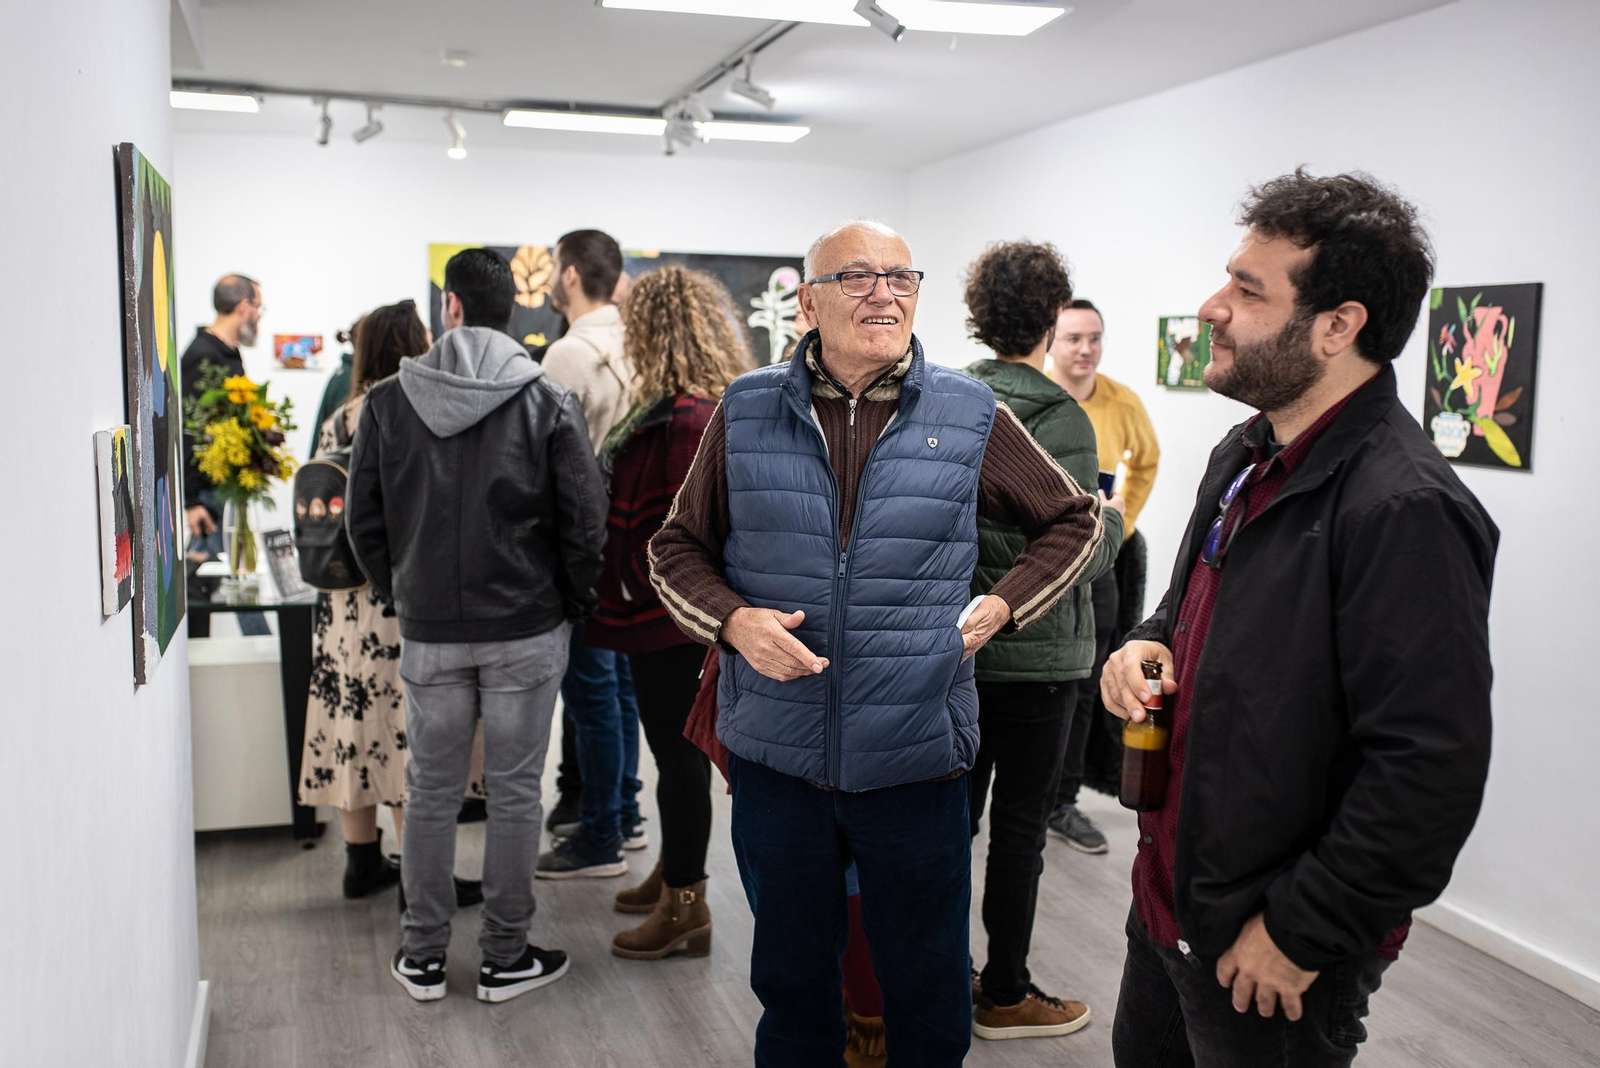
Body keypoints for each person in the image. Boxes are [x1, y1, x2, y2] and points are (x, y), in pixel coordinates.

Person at [649, 219, 1106, 1066]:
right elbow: (674, 547)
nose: (883, 294)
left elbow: (1076, 520)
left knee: (927, 988)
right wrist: (734, 622)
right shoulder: (746, 409)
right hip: (778, 759)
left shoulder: (969, 411)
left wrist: (1003, 607)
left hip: (917, 757)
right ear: (809, 301)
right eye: (856, 278)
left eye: (900, 277)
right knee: (791, 986)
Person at [1103, 170, 1496, 1067]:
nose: (1213, 307)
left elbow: (1428, 768)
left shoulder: (1404, 510)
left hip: (1271, 946)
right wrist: (1141, 646)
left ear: (1337, 326)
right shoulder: (1244, 452)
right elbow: (1179, 614)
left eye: (1248, 290)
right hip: (1173, 898)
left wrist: (1301, 930)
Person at [345, 247, 606, 1004]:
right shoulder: (548, 400)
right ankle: (504, 956)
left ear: (449, 308)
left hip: (430, 626)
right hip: (527, 624)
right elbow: (583, 523)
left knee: (429, 792)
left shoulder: (388, 403)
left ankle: (422, 958)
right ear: (511, 312)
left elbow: (364, 520)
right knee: (517, 793)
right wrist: (573, 600)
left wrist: (401, 592)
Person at [961, 241, 1125, 1040]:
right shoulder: (1061, 415)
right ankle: (1005, 992)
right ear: (1051, 317)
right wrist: (1116, 520)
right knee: (1020, 834)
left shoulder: (949, 398)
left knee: (947, 824)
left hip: (958, 651)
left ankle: (932, 973)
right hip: (1039, 658)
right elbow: (1077, 545)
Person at [585, 266, 749, 959]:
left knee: (678, 758)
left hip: (676, 618)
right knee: (667, 753)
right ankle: (674, 871)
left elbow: (687, 530)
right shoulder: (686, 405)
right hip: (661, 613)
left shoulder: (688, 416)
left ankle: (687, 902)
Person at [298, 299, 485, 903]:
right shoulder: (410, 408)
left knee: (352, 717)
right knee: (408, 727)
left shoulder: (340, 416)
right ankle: (418, 875)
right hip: (397, 596)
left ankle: (360, 862)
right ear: (413, 346)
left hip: (339, 598)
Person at [535, 229, 645, 880]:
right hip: (634, 544)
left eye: (553, 266)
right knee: (619, 689)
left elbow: (548, 465)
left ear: (571, 274)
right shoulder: (639, 346)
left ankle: (601, 833)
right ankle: (623, 814)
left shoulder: (568, 356)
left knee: (591, 694)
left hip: (585, 545)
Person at [1046, 298, 1163, 849]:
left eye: (1094, 337)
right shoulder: (1037, 398)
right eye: (1073, 338)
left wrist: (1124, 523)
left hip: (1098, 566)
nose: (1086, 349)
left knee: (1088, 683)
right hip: (1040, 564)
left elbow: (1148, 459)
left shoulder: (1121, 402)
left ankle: (1063, 803)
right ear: (1052, 342)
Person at [181, 274, 270, 636]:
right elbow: (189, 430)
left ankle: (250, 649)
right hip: (210, 492)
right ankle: (263, 649)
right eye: (259, 308)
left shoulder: (228, 353)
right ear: (243, 307)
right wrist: (190, 501)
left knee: (219, 575)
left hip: (228, 487)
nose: (260, 316)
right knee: (227, 577)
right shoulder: (201, 355)